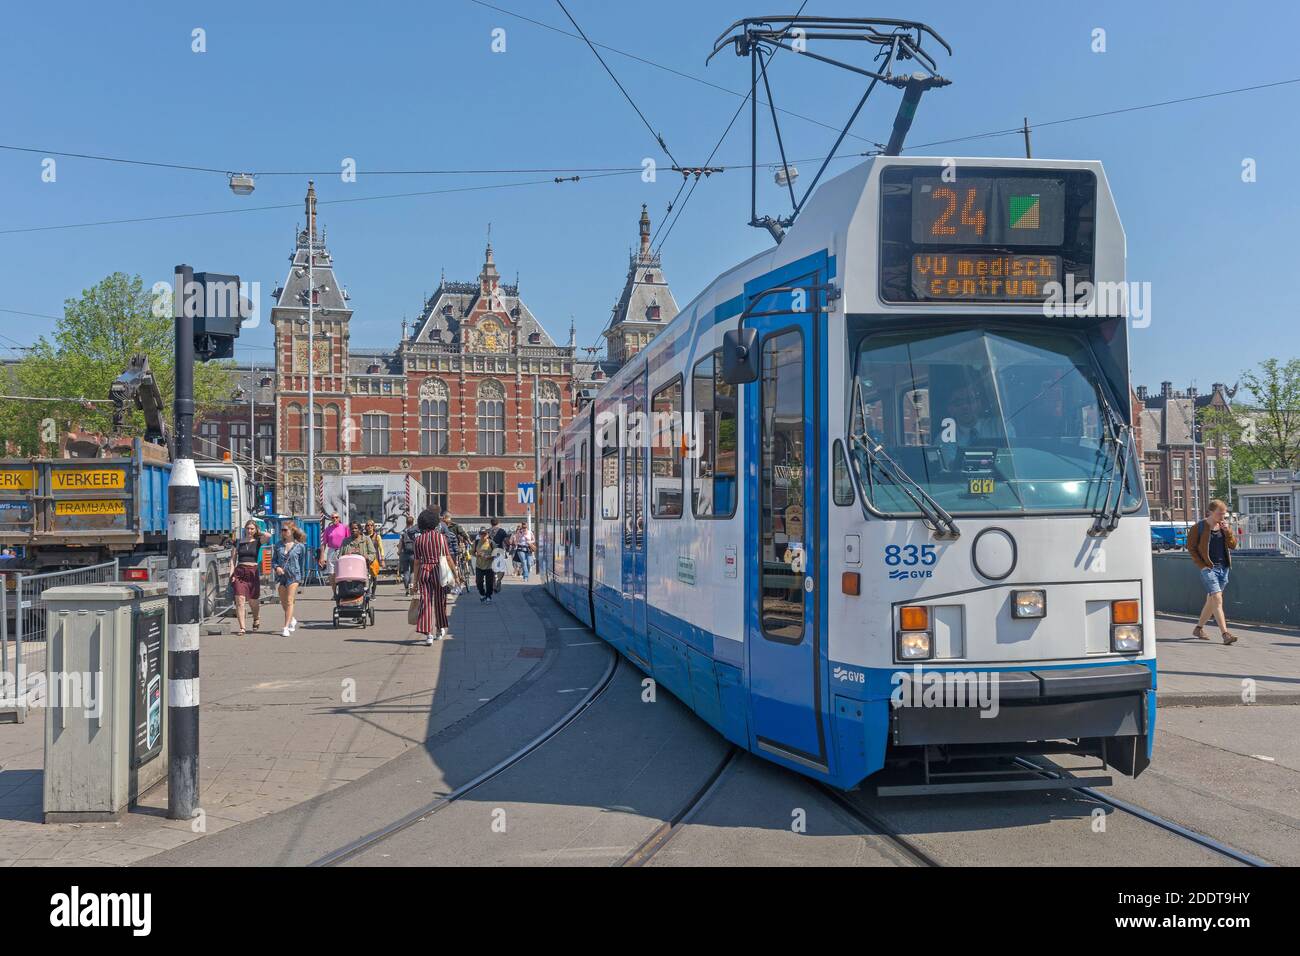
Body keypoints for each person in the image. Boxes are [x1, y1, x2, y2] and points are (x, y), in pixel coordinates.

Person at [1187, 499, 1238, 645]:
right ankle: (1225, 634)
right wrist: (1202, 566)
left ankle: (1198, 629)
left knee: (1211, 601)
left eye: (1224, 514)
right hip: (1209, 568)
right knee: (1217, 599)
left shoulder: (1224, 527)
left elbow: (1233, 545)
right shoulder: (1199, 527)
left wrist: (1227, 531)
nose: (1222, 517)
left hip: (1224, 568)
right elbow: (1191, 548)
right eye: (1219, 514)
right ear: (1210, 512)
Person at [413, 509, 452, 644]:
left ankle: (428, 634)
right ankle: (439, 628)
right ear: (435, 523)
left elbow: (417, 562)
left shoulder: (418, 540)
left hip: (424, 571)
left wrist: (414, 582)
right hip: (438, 571)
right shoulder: (441, 538)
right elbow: (447, 557)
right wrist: (455, 574)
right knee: (440, 601)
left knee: (426, 602)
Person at [232, 519, 271, 635]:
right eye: (247, 528)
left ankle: (256, 617)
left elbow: (268, 536)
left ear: (255, 530)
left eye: (252, 529)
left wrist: (259, 531)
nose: (249, 531)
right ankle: (242, 628)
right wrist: (232, 575)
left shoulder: (258, 541)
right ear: (244, 529)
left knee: (253, 601)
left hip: (252, 572)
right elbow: (232, 560)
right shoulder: (238, 542)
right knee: (240, 600)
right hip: (240, 572)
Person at [272, 524, 306, 637]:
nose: (283, 532)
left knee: (289, 600)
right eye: (281, 530)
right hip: (281, 577)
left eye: (285, 530)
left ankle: (285, 627)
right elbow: (274, 561)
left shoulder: (300, 546)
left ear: (291, 531)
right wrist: (277, 567)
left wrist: (301, 578)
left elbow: (301, 563)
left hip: (294, 576)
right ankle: (292, 619)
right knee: (283, 602)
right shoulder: (278, 545)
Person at [342, 524, 379, 595]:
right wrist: (347, 554)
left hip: (362, 569)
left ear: (359, 530)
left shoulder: (366, 539)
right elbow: (340, 555)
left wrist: (367, 557)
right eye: (352, 529)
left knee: (364, 589)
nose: (353, 530)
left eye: (356, 528)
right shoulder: (346, 541)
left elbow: (373, 553)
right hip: (348, 570)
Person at [319, 512, 349, 582]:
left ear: (339, 518)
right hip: (332, 551)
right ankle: (334, 591)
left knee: (342, 571)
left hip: (342, 551)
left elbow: (349, 541)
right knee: (331, 573)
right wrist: (322, 557)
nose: (335, 519)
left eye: (336, 517)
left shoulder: (344, 527)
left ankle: (342, 589)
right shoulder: (328, 529)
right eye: (333, 518)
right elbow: (324, 544)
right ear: (331, 519)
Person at [473, 528, 497, 603]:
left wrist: (489, 557)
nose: (483, 536)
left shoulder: (491, 543)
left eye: (485, 534)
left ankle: (488, 596)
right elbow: (472, 552)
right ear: (479, 535)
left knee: (489, 583)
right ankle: (482, 593)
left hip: (489, 566)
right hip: (479, 565)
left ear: (487, 535)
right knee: (478, 582)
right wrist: (476, 554)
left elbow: (496, 553)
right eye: (481, 534)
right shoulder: (476, 542)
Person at [399, 517, 418, 596]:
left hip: (404, 553)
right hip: (413, 554)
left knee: (406, 571)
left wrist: (399, 551)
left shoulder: (403, 532)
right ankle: (411, 585)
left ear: (406, 522)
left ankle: (407, 589)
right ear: (413, 522)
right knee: (413, 571)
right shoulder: (415, 531)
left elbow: (400, 543)